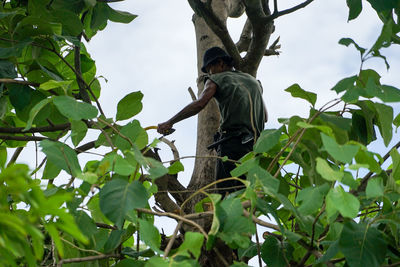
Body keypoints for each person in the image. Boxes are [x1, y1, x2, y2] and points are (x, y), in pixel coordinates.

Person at [158, 46, 267, 196]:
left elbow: (200, 103)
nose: (209, 73)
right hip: (255, 147)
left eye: (209, 69)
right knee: (245, 195)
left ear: (220, 63)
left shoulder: (216, 78)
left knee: (224, 193)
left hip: (233, 144)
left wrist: (170, 122)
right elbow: (265, 116)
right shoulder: (253, 81)